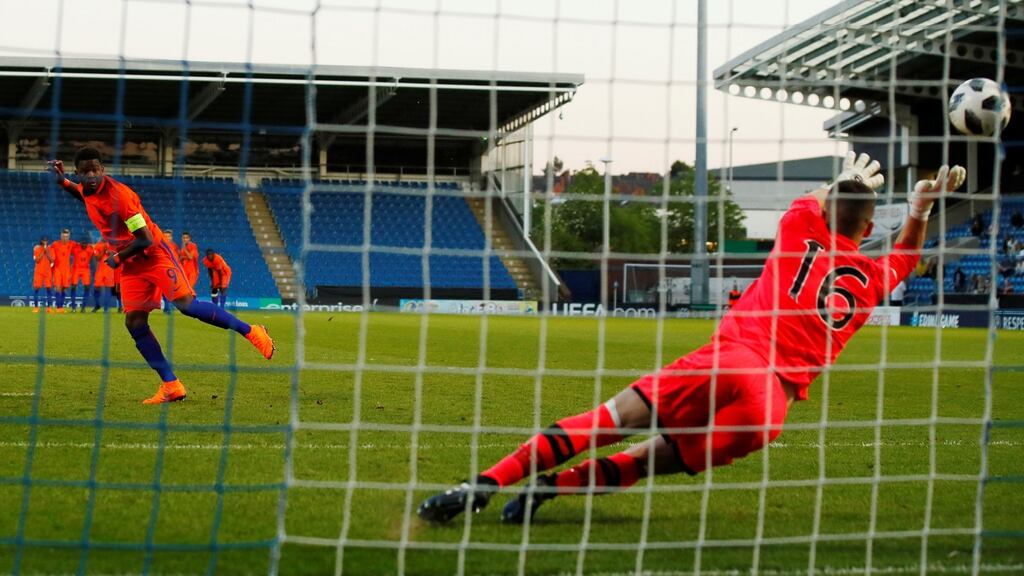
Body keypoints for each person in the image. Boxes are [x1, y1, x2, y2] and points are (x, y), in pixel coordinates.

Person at [417, 152, 966, 525]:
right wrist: (920, 207)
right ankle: (549, 492)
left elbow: (819, 200)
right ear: (868, 231)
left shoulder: (802, 226)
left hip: (735, 358)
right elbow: (907, 255)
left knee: (606, 424)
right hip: (769, 409)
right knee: (648, 459)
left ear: (824, 213)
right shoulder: (872, 280)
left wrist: (845, 180)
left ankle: (482, 486)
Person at [49, 147, 276, 405]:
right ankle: (171, 385)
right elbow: (82, 195)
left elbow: (144, 238)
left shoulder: (120, 197)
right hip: (133, 266)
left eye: (95, 170)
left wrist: (118, 257)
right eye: (85, 172)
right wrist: (62, 181)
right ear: (78, 173)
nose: (91, 176)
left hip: (153, 254)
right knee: (134, 323)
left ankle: (252, 331)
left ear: (103, 170)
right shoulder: (87, 190)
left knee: (186, 306)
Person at [51, 228, 74, 313]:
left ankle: (61, 306)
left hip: (66, 269)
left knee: (64, 288)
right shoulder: (55, 244)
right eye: (64, 236)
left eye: (67, 236)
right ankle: (59, 307)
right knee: (58, 288)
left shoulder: (72, 244)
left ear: (69, 237)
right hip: (57, 269)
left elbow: (82, 246)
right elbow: (47, 249)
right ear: (61, 236)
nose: (65, 238)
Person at [91, 240, 118, 312]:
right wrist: (103, 250)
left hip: (110, 270)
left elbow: (117, 256)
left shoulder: (113, 244)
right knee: (96, 288)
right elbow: (97, 258)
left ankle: (106, 308)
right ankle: (97, 305)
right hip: (100, 270)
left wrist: (111, 253)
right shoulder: (98, 245)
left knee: (108, 289)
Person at [69, 239, 94, 312]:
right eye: (82, 244)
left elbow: (95, 250)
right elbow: (69, 248)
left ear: (87, 244)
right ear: (80, 244)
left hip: (85, 269)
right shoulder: (76, 248)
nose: (84, 245)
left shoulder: (90, 249)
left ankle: (83, 308)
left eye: (85, 244)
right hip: (76, 269)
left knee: (87, 288)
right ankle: (73, 307)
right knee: (73, 287)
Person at [32, 237, 54, 313]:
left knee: (49, 289)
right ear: (41, 241)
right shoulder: (37, 249)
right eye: (43, 241)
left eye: (46, 241)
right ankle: (35, 307)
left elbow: (52, 260)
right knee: (36, 289)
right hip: (39, 272)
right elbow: (37, 260)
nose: (45, 242)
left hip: (47, 272)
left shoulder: (50, 249)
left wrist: (47, 252)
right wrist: (43, 252)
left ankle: (49, 307)